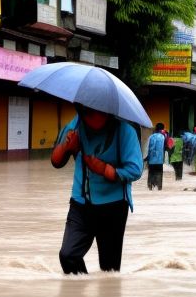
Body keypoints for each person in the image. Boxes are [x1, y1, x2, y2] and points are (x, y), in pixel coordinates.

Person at [51, 104, 143, 274]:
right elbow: (56, 161)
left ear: (107, 113)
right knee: (68, 255)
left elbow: (136, 169)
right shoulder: (76, 124)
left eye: (93, 113)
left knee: (109, 271)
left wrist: (105, 170)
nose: (87, 116)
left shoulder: (125, 131)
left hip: (113, 206)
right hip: (81, 203)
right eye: (84, 112)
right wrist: (67, 148)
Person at [145, 122, 167, 190]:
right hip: (160, 160)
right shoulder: (163, 137)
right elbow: (165, 147)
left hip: (151, 159)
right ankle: (159, 187)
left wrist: (147, 157)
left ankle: (150, 187)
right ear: (162, 129)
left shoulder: (151, 136)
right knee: (159, 174)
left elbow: (150, 148)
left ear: (156, 128)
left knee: (151, 174)